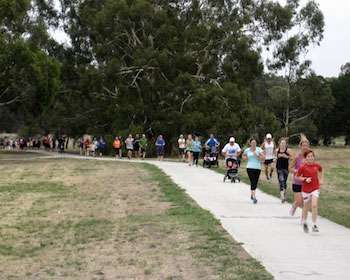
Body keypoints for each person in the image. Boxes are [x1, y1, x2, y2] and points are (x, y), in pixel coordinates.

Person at [296, 150, 323, 233]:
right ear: (306, 158)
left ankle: (314, 225)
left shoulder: (317, 165)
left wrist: (321, 179)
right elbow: (297, 177)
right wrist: (305, 179)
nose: (310, 158)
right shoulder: (303, 167)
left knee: (314, 205)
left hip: (315, 188)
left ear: (314, 157)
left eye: (312, 156)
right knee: (306, 207)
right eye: (308, 156)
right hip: (306, 190)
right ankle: (304, 222)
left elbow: (321, 170)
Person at [289, 134, 310, 216]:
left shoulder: (310, 156)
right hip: (297, 181)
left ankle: (303, 219)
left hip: (306, 182)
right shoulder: (297, 156)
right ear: (300, 146)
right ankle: (294, 206)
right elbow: (290, 168)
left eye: (306, 145)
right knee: (299, 201)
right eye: (303, 145)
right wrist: (296, 171)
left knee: (305, 201)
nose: (305, 147)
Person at [242, 138, 265, 204]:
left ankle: (252, 194)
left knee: (255, 182)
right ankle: (254, 197)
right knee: (253, 181)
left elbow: (263, 158)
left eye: (255, 143)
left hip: (258, 168)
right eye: (252, 143)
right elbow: (243, 157)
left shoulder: (259, 149)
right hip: (249, 167)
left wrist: (257, 155)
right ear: (250, 143)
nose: (253, 144)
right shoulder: (247, 150)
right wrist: (246, 158)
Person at [276, 138, 292, 203]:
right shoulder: (277, 150)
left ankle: (284, 194)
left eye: (284, 143)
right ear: (279, 144)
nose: (282, 144)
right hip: (279, 168)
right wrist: (277, 157)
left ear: (286, 144)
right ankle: (282, 196)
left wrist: (286, 156)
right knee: (281, 181)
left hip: (286, 168)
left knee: (284, 181)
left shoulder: (288, 150)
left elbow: (292, 158)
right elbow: (274, 157)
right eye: (281, 143)